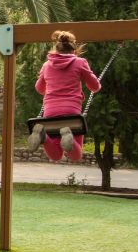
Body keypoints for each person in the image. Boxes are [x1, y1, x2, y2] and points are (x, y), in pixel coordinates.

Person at [29, 30, 101, 162]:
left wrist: (52, 87)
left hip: (51, 112)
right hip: (71, 112)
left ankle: (43, 137)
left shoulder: (47, 65)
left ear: (56, 49)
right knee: (76, 156)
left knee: (56, 156)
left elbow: (39, 88)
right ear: (73, 50)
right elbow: (94, 87)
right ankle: (68, 136)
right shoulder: (80, 62)